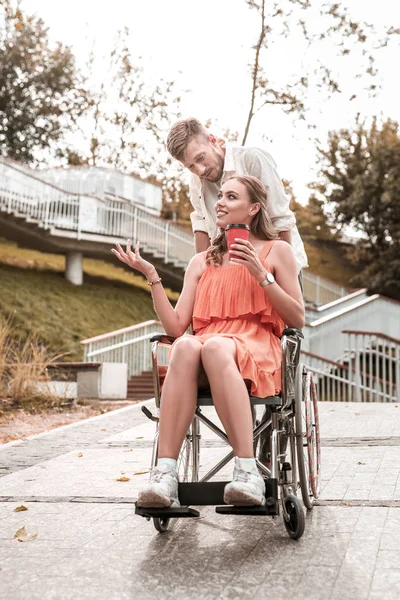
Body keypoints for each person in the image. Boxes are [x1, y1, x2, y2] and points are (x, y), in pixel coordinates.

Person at [112, 175, 305, 507]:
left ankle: (248, 473)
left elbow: (297, 319)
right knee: (185, 345)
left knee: (213, 346)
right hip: (205, 352)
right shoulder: (200, 262)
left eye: (231, 197)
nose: (220, 202)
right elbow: (176, 327)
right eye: (220, 197)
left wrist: (261, 275)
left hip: (255, 348)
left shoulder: (278, 251)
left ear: (254, 207)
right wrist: (151, 275)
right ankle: (165, 475)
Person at [166, 117, 308, 465]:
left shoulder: (252, 160)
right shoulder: (197, 182)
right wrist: (204, 274)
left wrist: (272, 263)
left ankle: (275, 423)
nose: (200, 169)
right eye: (190, 165)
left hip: (269, 260)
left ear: (214, 139)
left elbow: (280, 220)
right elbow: (202, 228)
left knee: (283, 338)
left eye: (201, 158)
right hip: (224, 264)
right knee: (203, 343)